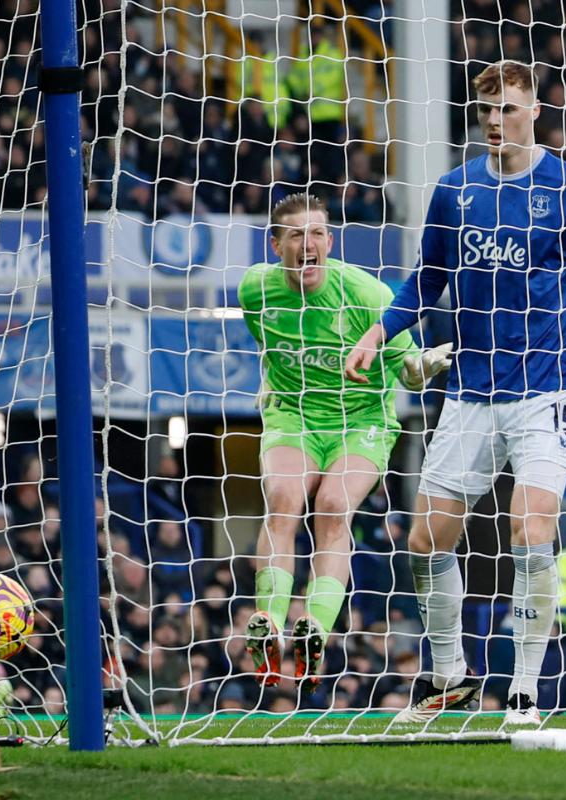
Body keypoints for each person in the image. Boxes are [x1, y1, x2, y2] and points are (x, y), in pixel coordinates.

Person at [344, 60, 566, 725]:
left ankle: (526, 693)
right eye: (486, 111)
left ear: (535, 110)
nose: (495, 121)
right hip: (472, 390)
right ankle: (448, 677)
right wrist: (377, 332)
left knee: (529, 529)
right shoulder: (455, 191)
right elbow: (425, 283)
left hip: (549, 388)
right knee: (425, 540)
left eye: (507, 108)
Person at [238, 192, 451, 689]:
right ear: (276, 244)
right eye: (295, 235)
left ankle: (314, 627)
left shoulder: (366, 294)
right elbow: (265, 343)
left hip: (362, 421)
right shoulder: (254, 290)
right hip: (294, 416)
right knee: (284, 498)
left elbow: (409, 371)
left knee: (333, 505)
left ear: (329, 241)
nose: (307, 244)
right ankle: (268, 624)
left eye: (316, 234)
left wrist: (423, 369)